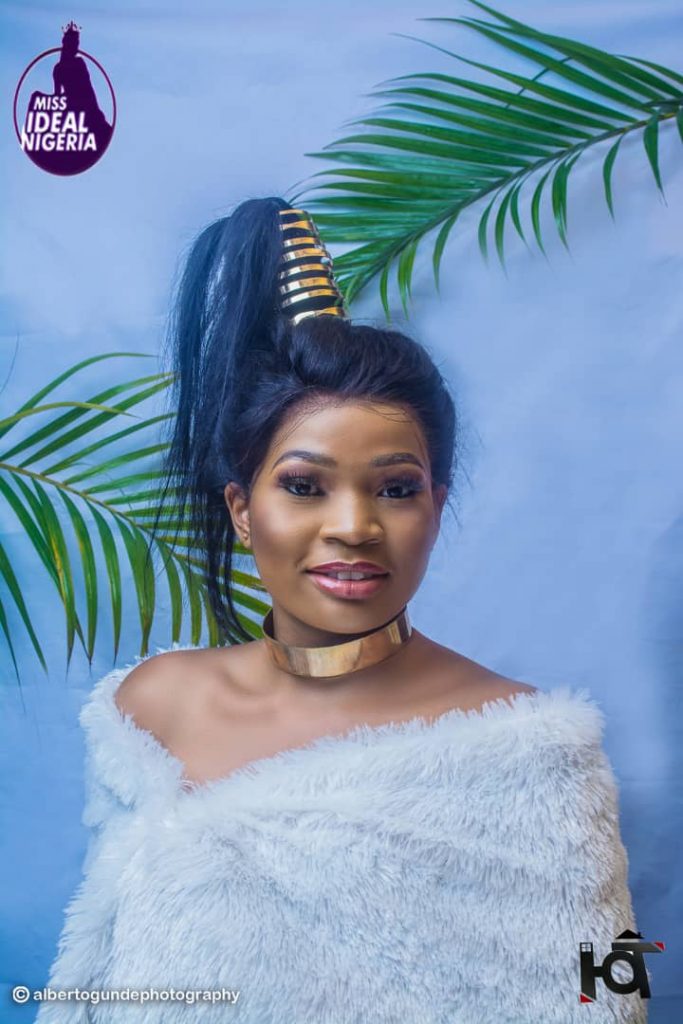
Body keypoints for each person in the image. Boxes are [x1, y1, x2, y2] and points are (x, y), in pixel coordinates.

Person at [36, 198, 647, 1023]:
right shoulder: (144, 714)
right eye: (303, 486)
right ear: (241, 508)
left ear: (435, 505)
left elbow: (612, 995)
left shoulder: (536, 756)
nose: (354, 526)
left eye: (394, 489)